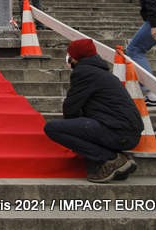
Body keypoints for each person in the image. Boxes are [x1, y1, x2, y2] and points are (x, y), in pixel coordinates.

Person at [43, 39, 141, 183]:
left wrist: (76, 131)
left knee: (53, 128)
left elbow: (70, 108)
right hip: (127, 132)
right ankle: (114, 157)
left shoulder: (83, 73)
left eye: (70, 55)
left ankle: (111, 159)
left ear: (75, 57)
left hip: (118, 132)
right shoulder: (100, 72)